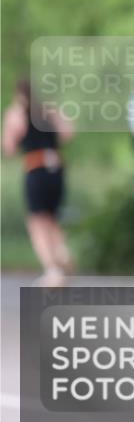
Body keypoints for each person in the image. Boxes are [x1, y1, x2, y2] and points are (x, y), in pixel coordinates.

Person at [2, 79, 75, 287]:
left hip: (35, 167)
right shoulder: (50, 110)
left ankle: (52, 269)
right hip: (57, 167)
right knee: (51, 218)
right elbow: (68, 133)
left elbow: (8, 146)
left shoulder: (17, 113)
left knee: (36, 221)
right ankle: (62, 251)